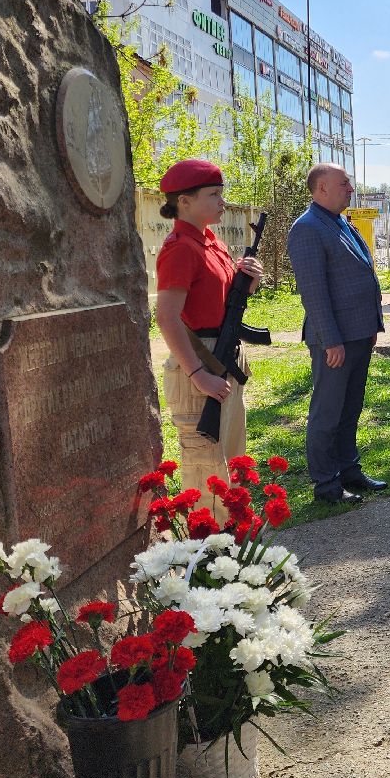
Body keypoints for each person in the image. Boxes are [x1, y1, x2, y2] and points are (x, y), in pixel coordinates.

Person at [154, 159, 263, 520]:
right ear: (183, 201)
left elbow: (219, 302)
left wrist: (247, 281)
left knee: (230, 457)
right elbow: (167, 317)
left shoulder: (211, 241)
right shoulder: (180, 248)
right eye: (213, 194)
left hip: (224, 357)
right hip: (200, 363)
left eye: (221, 194)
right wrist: (198, 372)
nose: (221, 202)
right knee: (206, 466)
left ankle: (235, 541)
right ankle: (209, 551)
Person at [286, 163, 386, 505]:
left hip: (357, 335)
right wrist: (332, 341)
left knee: (350, 408)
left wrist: (372, 326)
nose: (350, 189)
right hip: (335, 342)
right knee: (327, 413)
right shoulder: (308, 228)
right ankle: (326, 484)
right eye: (344, 183)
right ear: (321, 188)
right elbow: (313, 292)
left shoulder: (339, 221)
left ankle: (349, 470)